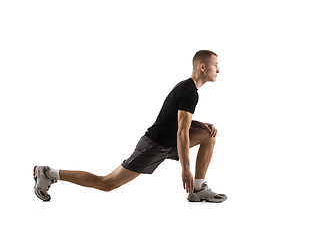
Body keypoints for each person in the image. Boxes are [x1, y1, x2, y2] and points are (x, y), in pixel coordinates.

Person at [33, 50, 227, 203]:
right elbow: (182, 132)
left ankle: (199, 189)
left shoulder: (189, 89)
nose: (218, 70)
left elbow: (176, 120)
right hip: (155, 145)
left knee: (208, 134)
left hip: (168, 142)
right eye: (215, 65)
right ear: (203, 66)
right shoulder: (189, 91)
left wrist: (200, 124)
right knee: (107, 183)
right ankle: (48, 173)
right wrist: (186, 168)